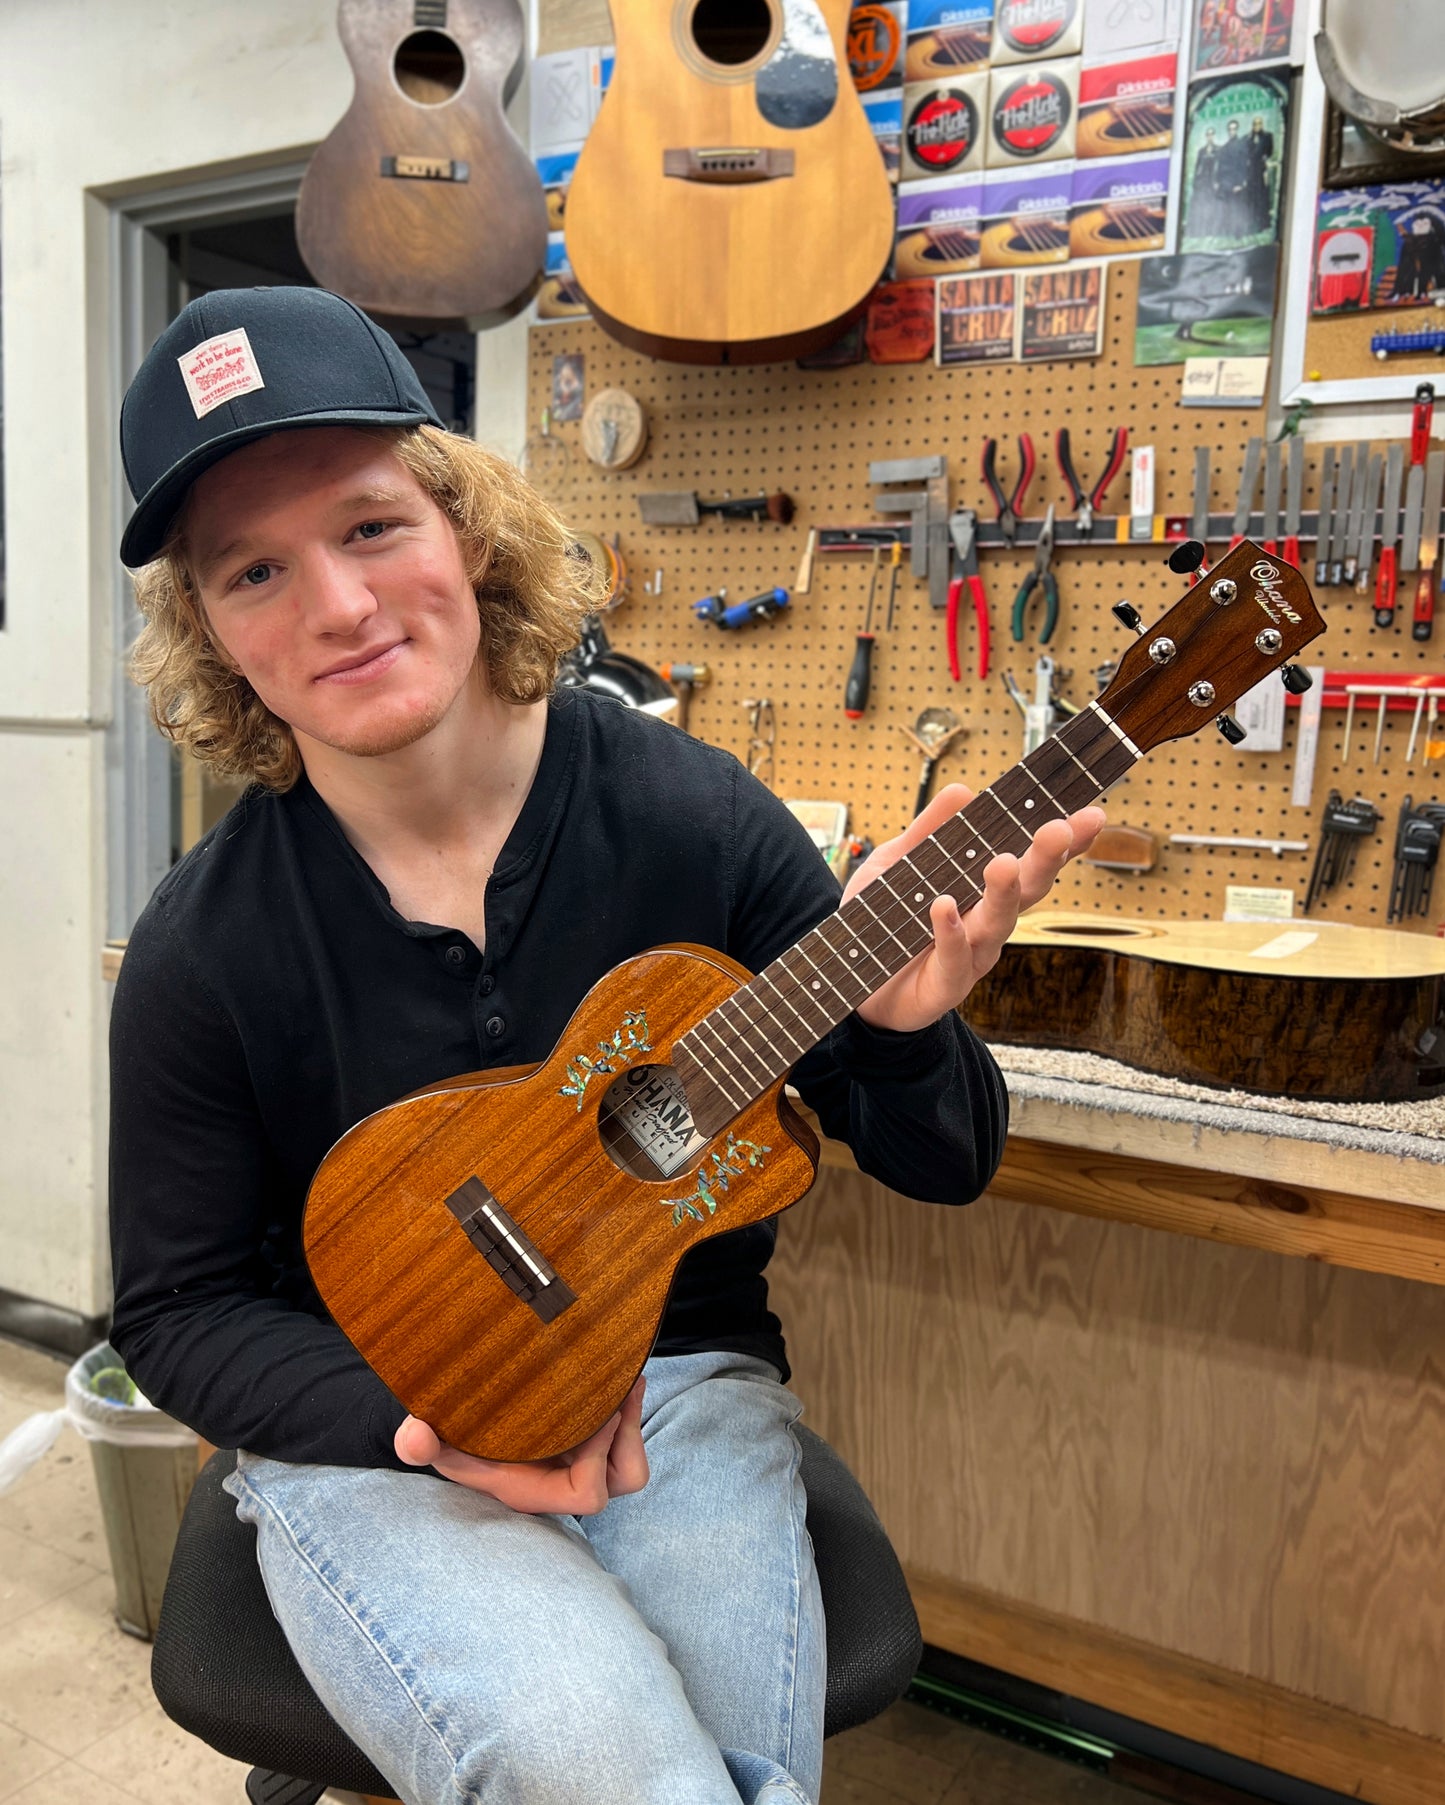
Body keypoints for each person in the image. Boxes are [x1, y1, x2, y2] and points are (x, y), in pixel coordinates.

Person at [108, 286, 1104, 1805]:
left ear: (466, 529)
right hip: (370, 1411)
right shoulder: (204, 941)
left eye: (372, 526)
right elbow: (176, 1311)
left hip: (677, 1383)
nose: (340, 605)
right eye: (255, 568)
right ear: (213, 632)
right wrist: (429, 1431)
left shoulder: (694, 818)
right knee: (620, 1768)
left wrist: (906, 1034)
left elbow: (945, 1160)